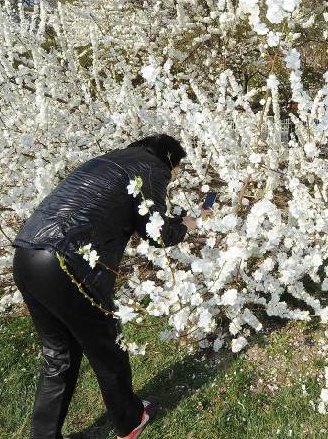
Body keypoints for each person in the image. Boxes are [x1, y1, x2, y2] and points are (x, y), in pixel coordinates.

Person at [11, 134, 199, 439]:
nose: (174, 175)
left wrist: (170, 219)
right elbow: (157, 234)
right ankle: (130, 420)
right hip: (67, 262)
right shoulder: (154, 166)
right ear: (169, 159)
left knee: (58, 353)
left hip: (27, 254)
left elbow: (125, 210)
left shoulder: (107, 160)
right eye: (177, 168)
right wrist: (187, 227)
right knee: (107, 346)